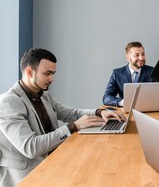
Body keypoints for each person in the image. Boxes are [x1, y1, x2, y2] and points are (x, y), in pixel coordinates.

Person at [0, 48, 125, 186]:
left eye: (53, 73)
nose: (52, 79)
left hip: (52, 162)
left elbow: (71, 113)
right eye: (47, 73)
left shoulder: (44, 95)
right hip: (28, 176)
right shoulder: (9, 102)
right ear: (29, 72)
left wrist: (99, 112)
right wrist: (73, 127)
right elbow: (31, 147)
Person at [103, 41, 159, 106]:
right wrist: (122, 102)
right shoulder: (117, 73)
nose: (141, 58)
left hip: (149, 111)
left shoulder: (154, 71)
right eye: (137, 55)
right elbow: (106, 97)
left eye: (143, 54)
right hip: (126, 113)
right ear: (128, 58)